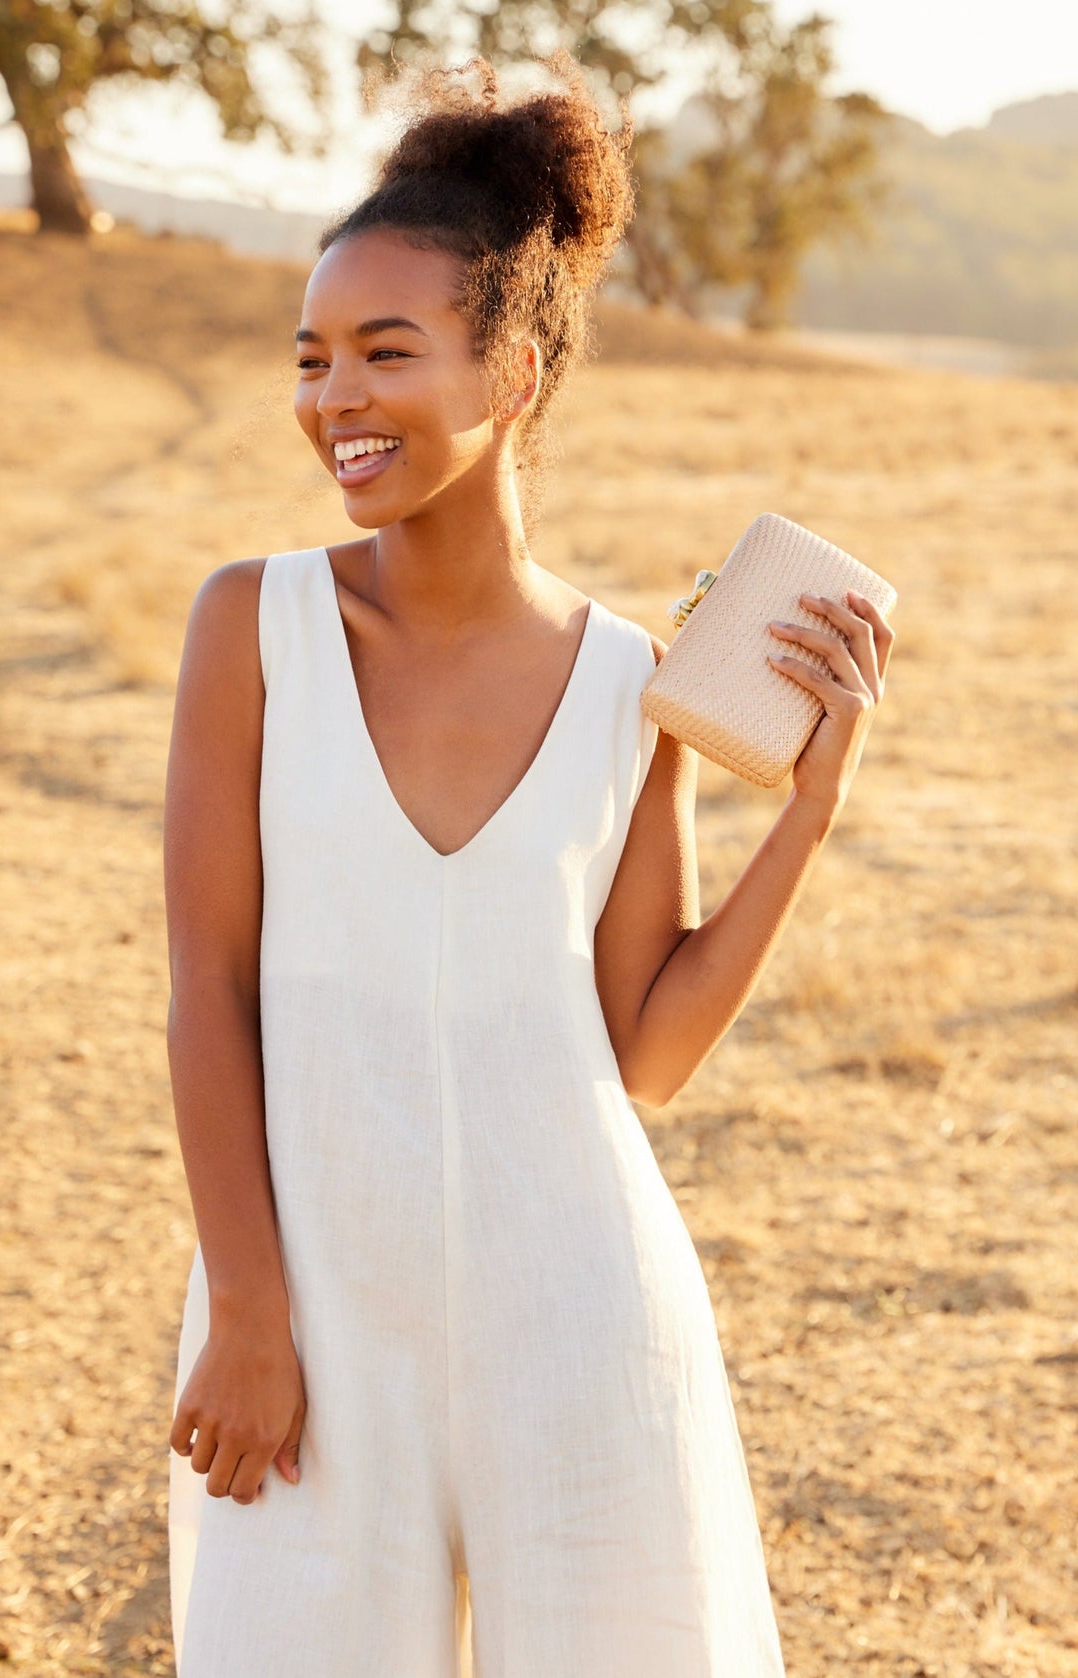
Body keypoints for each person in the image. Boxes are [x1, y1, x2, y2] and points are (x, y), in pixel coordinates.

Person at [162, 50, 894, 1678]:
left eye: (385, 352)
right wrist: (249, 1312)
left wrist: (806, 814)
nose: (334, 398)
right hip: (312, 1322)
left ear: (512, 373)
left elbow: (643, 1054)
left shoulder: (634, 681)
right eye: (313, 357)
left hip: (580, 1312)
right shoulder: (255, 628)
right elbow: (206, 989)